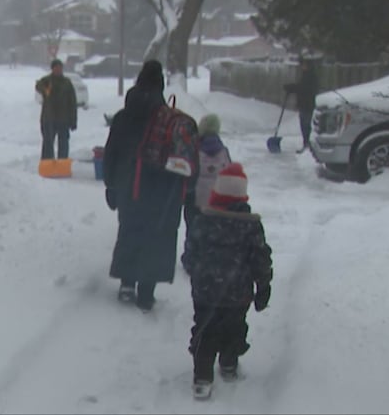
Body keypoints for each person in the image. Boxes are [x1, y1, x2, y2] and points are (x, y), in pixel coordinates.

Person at [103, 60, 195, 311]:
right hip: (163, 191)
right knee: (157, 237)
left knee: (130, 231)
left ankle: (126, 284)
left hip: (128, 185)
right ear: (161, 87)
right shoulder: (170, 120)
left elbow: (111, 153)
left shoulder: (123, 117)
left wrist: (111, 185)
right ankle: (146, 291)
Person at [181, 162, 273, 400]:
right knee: (235, 327)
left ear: (217, 192)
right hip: (238, 292)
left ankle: (202, 377)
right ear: (243, 195)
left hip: (205, 291)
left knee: (204, 329)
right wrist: (263, 285)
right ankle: (229, 364)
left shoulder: (203, 220)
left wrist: (196, 271)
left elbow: (190, 253)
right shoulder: (251, 226)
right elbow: (260, 257)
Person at [182, 113, 232, 274]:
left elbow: (187, 171)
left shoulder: (193, 148)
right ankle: (212, 256)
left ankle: (191, 258)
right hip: (216, 199)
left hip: (195, 198)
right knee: (214, 229)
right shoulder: (224, 151)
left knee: (193, 229)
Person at [35, 59, 77, 159]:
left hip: (63, 119)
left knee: (63, 144)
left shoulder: (67, 83)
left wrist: (73, 120)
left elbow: (72, 103)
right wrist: (45, 89)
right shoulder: (47, 81)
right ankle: (47, 164)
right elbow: (38, 86)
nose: (58, 70)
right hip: (49, 119)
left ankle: (62, 164)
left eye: (60, 68)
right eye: (56, 68)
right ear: (52, 69)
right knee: (48, 144)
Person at [283, 58, 319, 153]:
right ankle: (306, 143)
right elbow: (301, 87)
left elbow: (304, 88)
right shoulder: (305, 75)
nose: (302, 66)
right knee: (303, 124)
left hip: (307, 103)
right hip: (304, 103)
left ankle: (307, 144)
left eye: (304, 65)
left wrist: (292, 88)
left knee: (306, 124)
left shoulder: (311, 76)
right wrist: (292, 88)